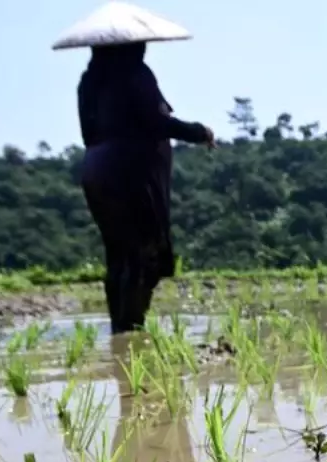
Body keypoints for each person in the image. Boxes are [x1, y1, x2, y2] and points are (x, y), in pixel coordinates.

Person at [54, 4, 214, 333]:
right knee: (145, 255)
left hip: (97, 169)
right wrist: (199, 132)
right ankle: (130, 330)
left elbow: (90, 132)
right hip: (131, 171)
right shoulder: (136, 75)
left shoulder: (88, 83)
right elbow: (157, 121)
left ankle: (121, 327)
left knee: (119, 254)